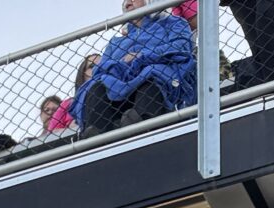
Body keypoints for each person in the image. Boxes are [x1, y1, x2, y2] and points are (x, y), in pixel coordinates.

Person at [77, 0, 199, 132]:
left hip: (159, 84)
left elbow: (181, 47)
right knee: (97, 87)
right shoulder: (115, 42)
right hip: (120, 87)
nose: (127, 2)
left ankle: (141, 125)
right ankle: (95, 134)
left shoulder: (173, 23)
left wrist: (141, 56)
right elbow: (101, 69)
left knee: (151, 74)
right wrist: (120, 66)